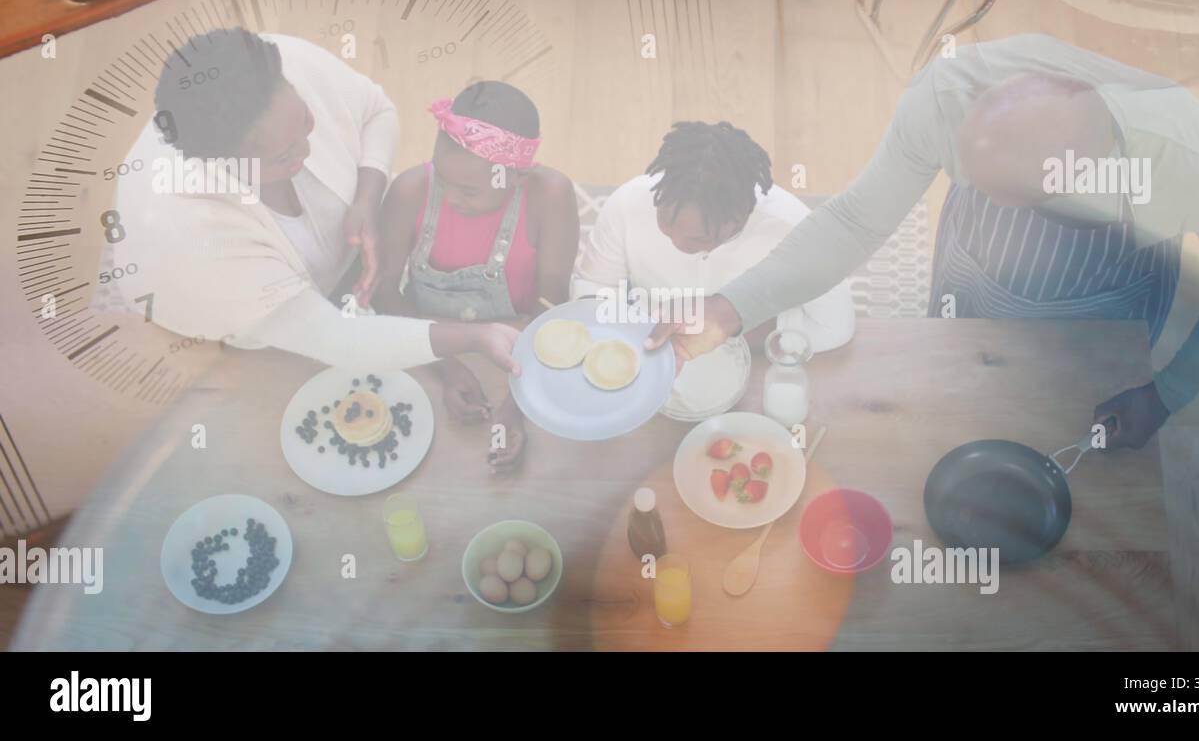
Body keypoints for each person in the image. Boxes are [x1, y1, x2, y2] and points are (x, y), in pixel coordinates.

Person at [647, 34, 1199, 449]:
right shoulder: (946, 96)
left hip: (1110, 302)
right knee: (953, 415)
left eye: (1028, 203)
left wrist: (1169, 390)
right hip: (971, 278)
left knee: (1078, 444)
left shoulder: (1190, 157)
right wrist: (728, 309)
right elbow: (854, 221)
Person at [114, 29, 519, 376]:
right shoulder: (194, 235)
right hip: (227, 310)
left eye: (306, 123)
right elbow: (340, 341)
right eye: (283, 157)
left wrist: (366, 198)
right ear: (222, 165)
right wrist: (475, 337)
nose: (307, 151)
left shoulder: (284, 61)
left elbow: (376, 111)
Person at [572, 121, 853, 411]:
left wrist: (732, 330)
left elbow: (835, 325)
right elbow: (592, 285)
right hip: (638, 367)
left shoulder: (794, 229)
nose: (677, 241)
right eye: (666, 223)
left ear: (743, 215)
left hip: (750, 381)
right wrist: (622, 330)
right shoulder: (627, 204)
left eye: (699, 238)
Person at [373, 81, 579, 473]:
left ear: (516, 177)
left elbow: (551, 307)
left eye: (468, 191)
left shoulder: (550, 196)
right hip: (424, 345)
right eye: (443, 180)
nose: (449, 198)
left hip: (519, 352)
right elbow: (383, 293)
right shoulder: (410, 191)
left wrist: (519, 401)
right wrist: (447, 366)